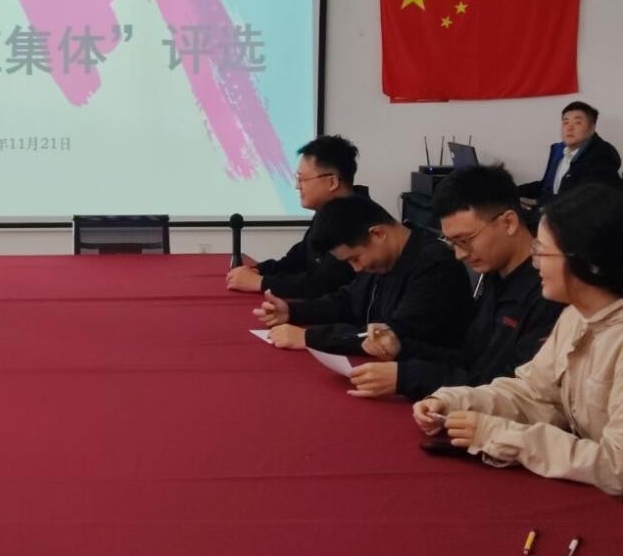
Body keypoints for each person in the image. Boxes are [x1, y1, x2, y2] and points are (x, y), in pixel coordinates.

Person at [414, 184, 623, 496]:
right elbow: (535, 394)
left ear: (589, 262)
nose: (535, 263)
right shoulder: (575, 316)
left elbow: (616, 467)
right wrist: (455, 401)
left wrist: (501, 435)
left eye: (542, 252)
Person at [350, 165, 563, 401]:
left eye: (464, 240)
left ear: (509, 222)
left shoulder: (551, 291)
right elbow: (470, 360)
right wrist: (401, 347)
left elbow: (515, 389)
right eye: (452, 243)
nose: (460, 254)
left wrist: (409, 377)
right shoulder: (495, 275)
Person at [255, 195, 471, 355]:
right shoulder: (385, 260)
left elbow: (392, 336)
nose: (356, 268)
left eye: (355, 258)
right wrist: (292, 311)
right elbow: (347, 301)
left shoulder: (435, 266)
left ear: (378, 233)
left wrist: (310, 337)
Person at [226, 135, 358, 296]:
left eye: (302, 179)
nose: (297, 186)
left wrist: (261, 282)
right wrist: (258, 270)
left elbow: (325, 283)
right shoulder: (327, 213)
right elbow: (296, 261)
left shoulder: (356, 221)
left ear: (332, 182)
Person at [518, 100, 620, 205]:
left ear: (592, 128)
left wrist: (539, 204)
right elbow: (546, 187)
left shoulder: (601, 156)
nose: (569, 128)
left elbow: (585, 199)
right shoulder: (560, 151)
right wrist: (512, 192)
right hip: (550, 210)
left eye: (577, 123)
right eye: (565, 122)